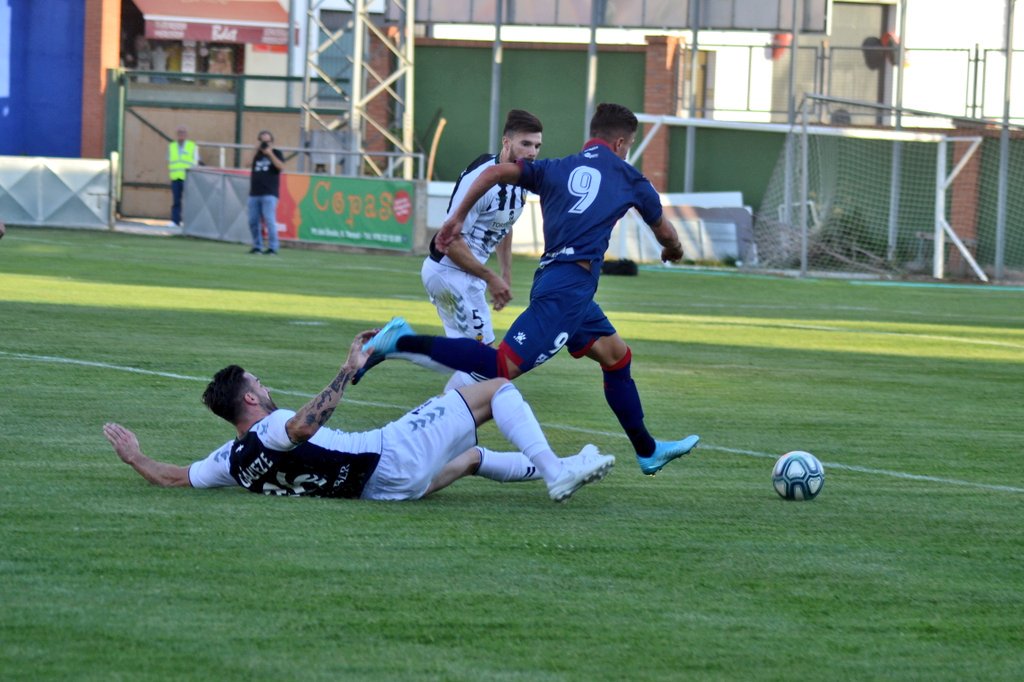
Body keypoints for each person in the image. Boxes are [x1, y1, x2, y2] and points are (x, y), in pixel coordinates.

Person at [359, 103, 700, 477]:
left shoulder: (556, 168)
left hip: (567, 286)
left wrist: (456, 217)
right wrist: (674, 251)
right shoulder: (630, 178)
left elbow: (494, 173)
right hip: (566, 289)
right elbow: (666, 233)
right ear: (620, 143)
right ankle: (401, 343)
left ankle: (647, 450)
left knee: (617, 357)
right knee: (499, 367)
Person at [103, 329, 615, 503]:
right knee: (495, 386)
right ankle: (555, 471)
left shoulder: (232, 459)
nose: (266, 385)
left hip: (384, 492)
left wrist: (135, 457)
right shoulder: (272, 426)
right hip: (391, 454)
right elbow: (303, 426)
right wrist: (347, 371)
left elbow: (174, 479)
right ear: (251, 401)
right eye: (259, 383)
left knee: (473, 449)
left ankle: (569, 463)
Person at [416, 109, 543, 392]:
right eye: (526, 144)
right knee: (484, 365)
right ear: (506, 142)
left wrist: (505, 273)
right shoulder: (482, 180)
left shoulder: (521, 180)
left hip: (468, 277)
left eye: (537, 146)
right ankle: (397, 345)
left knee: (478, 364)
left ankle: (450, 430)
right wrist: (491, 278)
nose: (532, 152)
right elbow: (449, 241)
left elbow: (504, 224)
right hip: (448, 274)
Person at [248, 130, 285, 254]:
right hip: (254, 193)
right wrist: (255, 150)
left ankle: (273, 247)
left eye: (267, 141)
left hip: (269, 193)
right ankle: (257, 246)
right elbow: (246, 164)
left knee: (269, 220)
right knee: (253, 221)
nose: (264, 144)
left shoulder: (277, 153)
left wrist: (270, 154)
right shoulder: (256, 155)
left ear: (271, 142)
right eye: (262, 141)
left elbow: (280, 167)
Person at [167, 125, 197, 228]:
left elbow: (195, 161)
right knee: (176, 200)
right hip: (175, 177)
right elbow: (169, 160)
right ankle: (175, 221)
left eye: (183, 133)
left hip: (188, 178)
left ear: (186, 135)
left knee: (189, 201)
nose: (181, 135)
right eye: (179, 133)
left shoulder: (192, 146)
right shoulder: (172, 146)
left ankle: (189, 222)